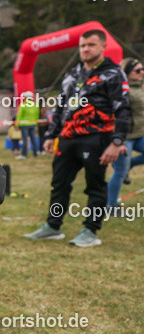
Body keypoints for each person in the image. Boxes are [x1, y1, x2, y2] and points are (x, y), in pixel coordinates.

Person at [24, 30, 131, 247]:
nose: (85, 49)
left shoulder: (113, 74)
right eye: (82, 46)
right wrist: (51, 135)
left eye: (91, 45)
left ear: (102, 47)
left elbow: (123, 109)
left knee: (95, 186)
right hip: (67, 138)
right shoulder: (73, 74)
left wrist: (116, 142)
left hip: (97, 138)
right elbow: (61, 106)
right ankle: (53, 226)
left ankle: (90, 230)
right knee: (59, 184)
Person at [107, 57, 144, 207]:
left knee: (124, 167)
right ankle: (111, 205)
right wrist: (117, 139)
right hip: (125, 137)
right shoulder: (122, 90)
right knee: (120, 172)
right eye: (138, 70)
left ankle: (130, 165)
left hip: (140, 134)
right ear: (127, 73)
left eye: (143, 69)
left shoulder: (139, 87)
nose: (142, 72)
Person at [16, 90, 40, 158]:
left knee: (25, 140)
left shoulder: (23, 105)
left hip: (24, 124)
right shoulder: (35, 105)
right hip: (33, 124)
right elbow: (37, 115)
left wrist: (17, 125)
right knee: (33, 139)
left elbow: (19, 116)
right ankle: (35, 154)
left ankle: (24, 154)